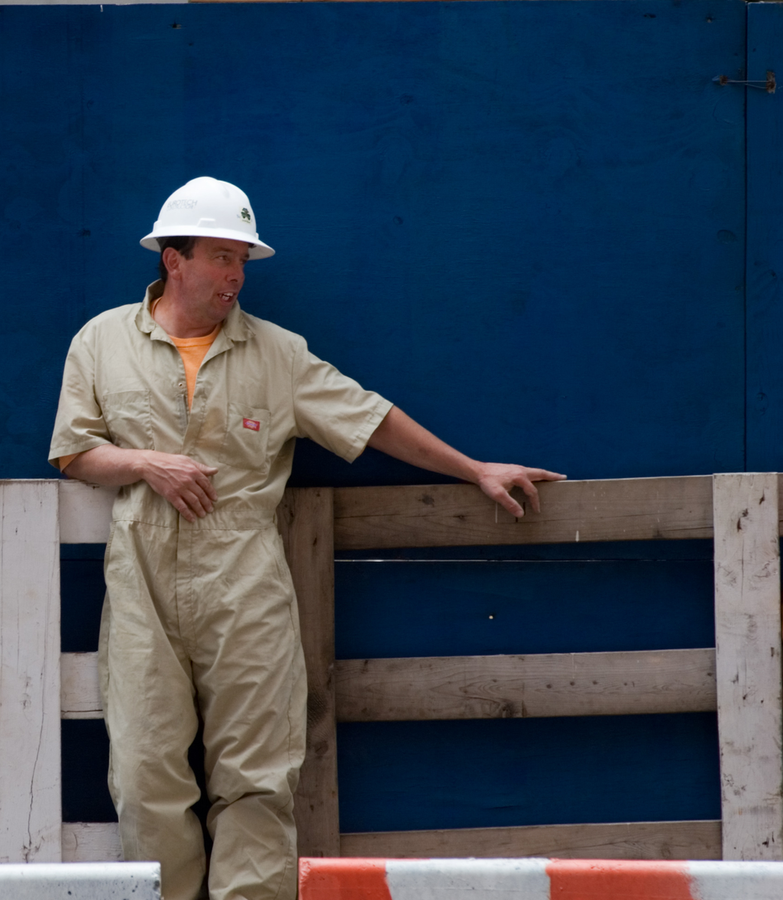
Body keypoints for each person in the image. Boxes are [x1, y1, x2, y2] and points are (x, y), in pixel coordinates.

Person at [48, 176, 564, 900]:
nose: (235, 274)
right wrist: (145, 463)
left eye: (242, 260)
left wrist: (472, 468)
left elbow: (369, 417)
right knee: (143, 775)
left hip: (244, 577)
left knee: (257, 778)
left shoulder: (278, 354)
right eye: (222, 257)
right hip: (141, 575)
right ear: (174, 259)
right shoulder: (101, 341)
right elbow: (74, 452)